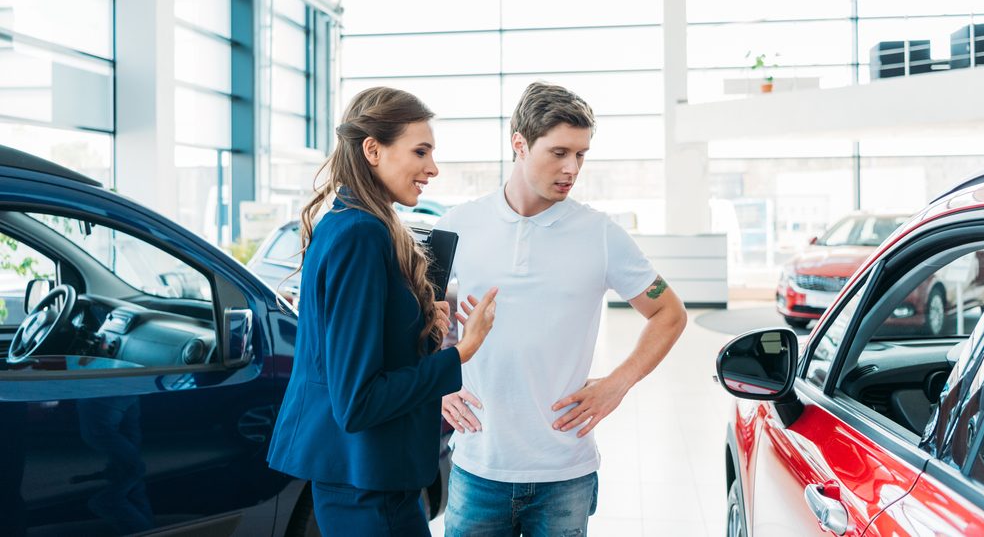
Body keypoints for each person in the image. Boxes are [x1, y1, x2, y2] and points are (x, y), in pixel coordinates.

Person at [437, 81, 688, 536]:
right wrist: (434, 383)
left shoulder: (601, 235)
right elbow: (420, 317)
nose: (572, 168)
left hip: (564, 474)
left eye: (581, 154)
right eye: (559, 152)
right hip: (478, 465)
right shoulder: (457, 226)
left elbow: (669, 313)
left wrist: (618, 383)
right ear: (519, 143)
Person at [267, 87, 498, 537]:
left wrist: (424, 328)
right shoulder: (360, 235)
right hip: (368, 486)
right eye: (420, 151)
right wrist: (463, 351)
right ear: (372, 149)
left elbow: (369, 355)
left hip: (366, 479)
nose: (433, 168)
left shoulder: (348, 223)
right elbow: (359, 401)